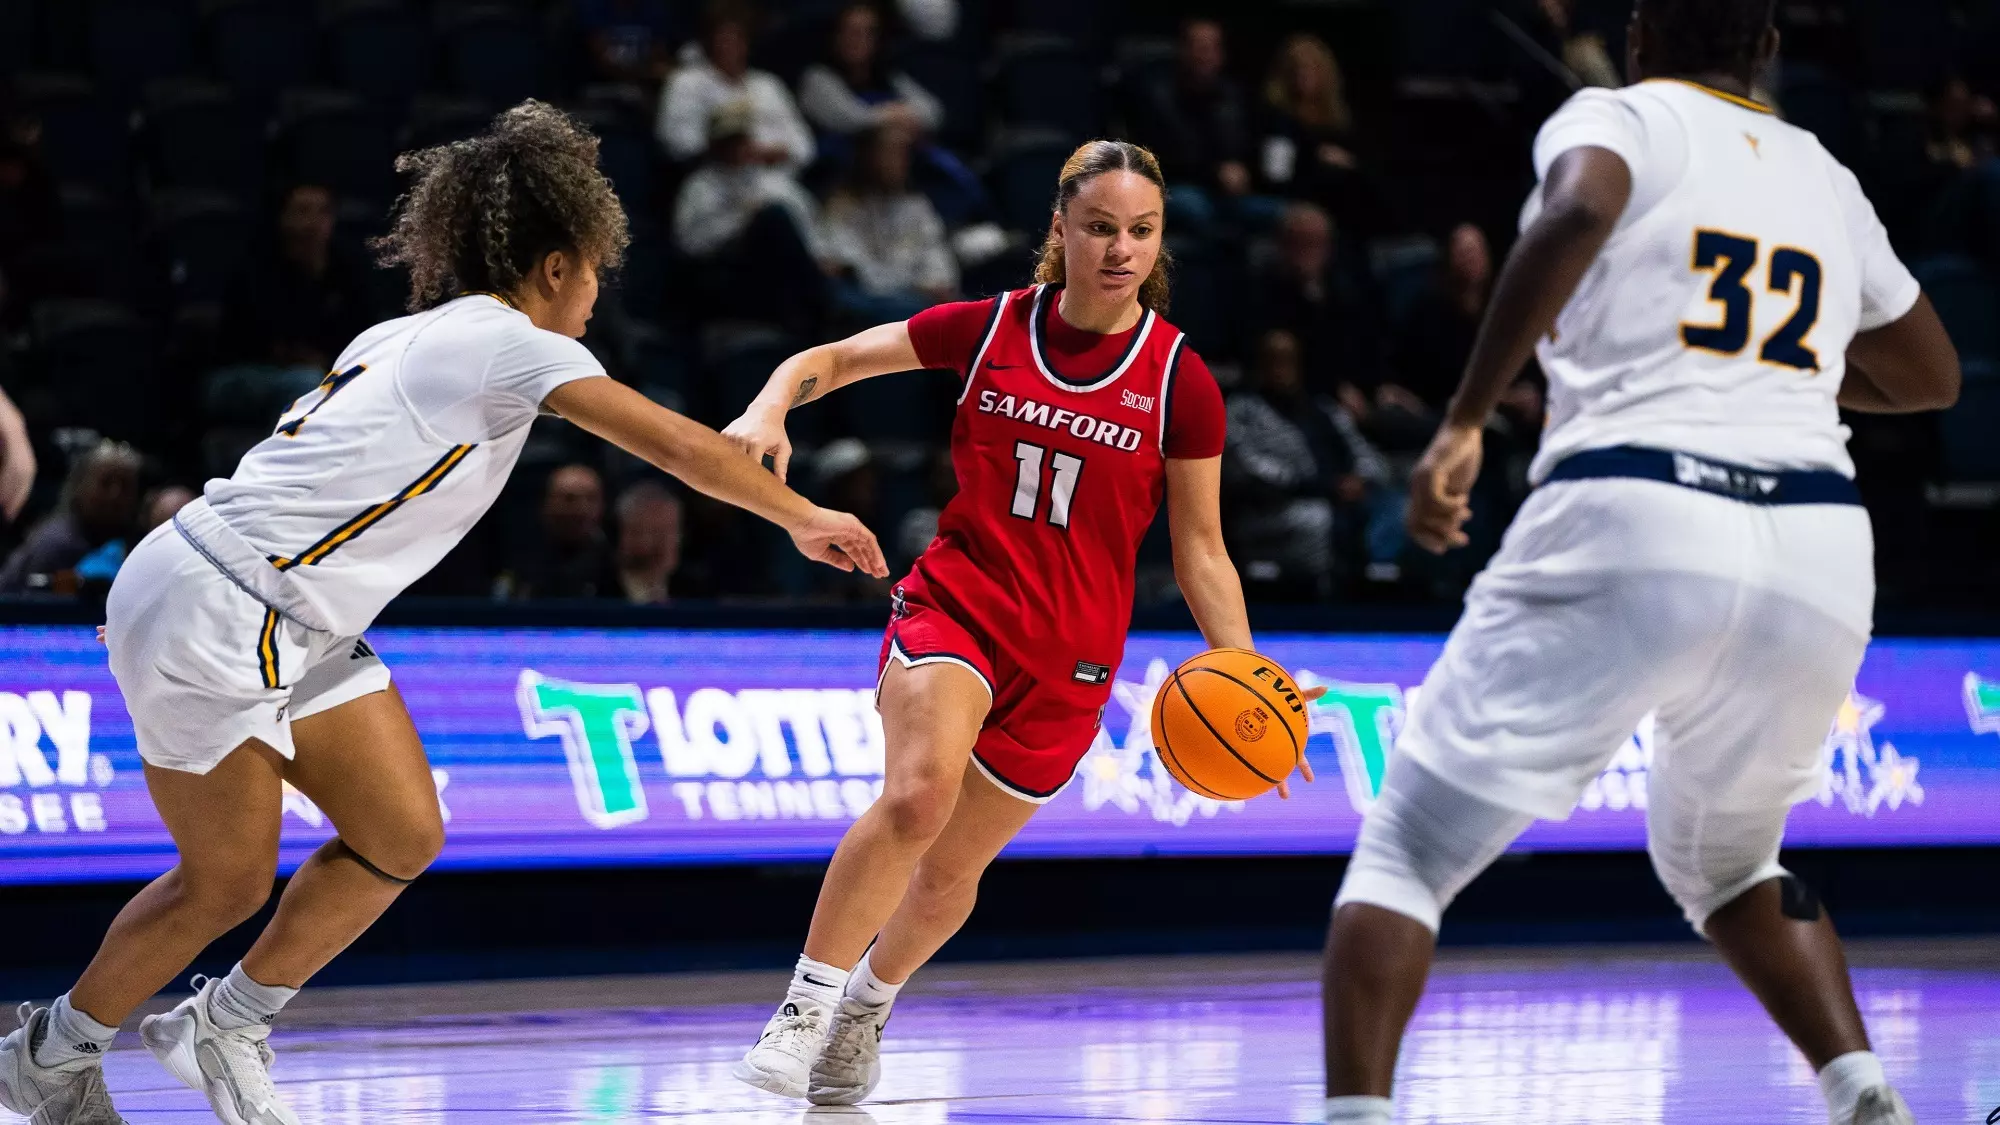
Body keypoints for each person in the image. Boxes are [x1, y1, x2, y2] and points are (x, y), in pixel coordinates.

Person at [0, 100, 885, 1125]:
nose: (597, 296)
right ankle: (52, 1054)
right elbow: (679, 447)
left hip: (261, 599)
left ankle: (222, 1024)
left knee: (400, 830)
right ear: (555, 266)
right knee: (226, 883)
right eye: (594, 271)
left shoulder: (410, 329)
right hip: (226, 600)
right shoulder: (515, 346)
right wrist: (801, 514)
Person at [1318, 4, 1961, 1125]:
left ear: (1636, 36)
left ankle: (1352, 1116)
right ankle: (1862, 1092)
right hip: (1816, 546)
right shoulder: (1819, 170)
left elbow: (1573, 210)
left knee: (1407, 850)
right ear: (1763, 49)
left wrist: (1464, 419)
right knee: (1731, 865)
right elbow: (1928, 375)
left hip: (1639, 504)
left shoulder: (1620, 117)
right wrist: (1793, 376)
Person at [722, 139, 1316, 1107]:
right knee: (916, 800)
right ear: (1059, 230)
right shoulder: (990, 327)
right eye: (1098, 228)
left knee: (950, 872)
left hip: (1072, 658)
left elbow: (1200, 549)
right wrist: (770, 402)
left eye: (1139, 232)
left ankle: (866, 1009)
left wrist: (1245, 672)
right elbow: (827, 358)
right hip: (957, 604)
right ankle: (799, 1012)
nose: (1119, 249)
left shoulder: (1178, 380)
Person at [1222, 329, 1382, 599]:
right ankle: (1316, 601)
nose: (1282, 369)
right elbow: (1248, 468)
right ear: (1260, 364)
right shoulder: (1242, 410)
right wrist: (1323, 486)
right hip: (1270, 509)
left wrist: (1361, 479)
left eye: (1289, 360)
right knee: (1318, 519)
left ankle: (1381, 603)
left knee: (1395, 510)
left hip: (1340, 499)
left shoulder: (1323, 409)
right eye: (1274, 360)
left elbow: (1365, 454)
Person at [796, 3, 989, 227]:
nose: (858, 40)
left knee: (939, 160)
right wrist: (891, 115)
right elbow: (848, 119)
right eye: (851, 32)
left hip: (901, 170)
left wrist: (896, 117)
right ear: (835, 36)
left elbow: (933, 113)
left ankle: (964, 221)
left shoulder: (888, 77)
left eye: (868, 32)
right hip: (842, 173)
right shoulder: (817, 78)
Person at [674, 100, 830, 330]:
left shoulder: (771, 181)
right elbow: (690, 244)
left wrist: (821, 256)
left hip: (778, 271)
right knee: (773, 217)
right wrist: (742, 221)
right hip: (730, 270)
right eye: (729, 141)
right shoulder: (700, 186)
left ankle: (818, 310)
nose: (737, 148)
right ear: (715, 145)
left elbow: (809, 224)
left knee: (780, 217)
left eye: (740, 140)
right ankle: (818, 309)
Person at [222, 183, 374, 372]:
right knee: (307, 380)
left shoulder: (347, 269)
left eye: (323, 211)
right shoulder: (256, 268)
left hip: (328, 367)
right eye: (303, 211)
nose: (313, 221)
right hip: (254, 370)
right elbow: (256, 340)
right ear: (282, 217)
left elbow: (363, 332)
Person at [1123, 18, 1256, 231]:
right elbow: (1162, 158)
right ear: (1182, 51)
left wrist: (1243, 170)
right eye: (1199, 47)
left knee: (1290, 215)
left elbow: (1246, 146)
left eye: (1212, 48)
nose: (1205, 55)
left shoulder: (1232, 97)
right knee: (1197, 208)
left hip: (1226, 192)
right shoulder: (1154, 95)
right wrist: (1216, 171)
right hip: (1171, 187)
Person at [820, 124, 958, 324]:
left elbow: (935, 252)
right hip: (876, 302)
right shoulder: (843, 207)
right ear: (868, 156)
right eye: (890, 153)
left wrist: (938, 284)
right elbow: (860, 271)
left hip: (919, 297)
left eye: (902, 154)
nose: (899, 162)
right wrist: (918, 289)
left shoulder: (915, 204)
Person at [656, 1, 815, 173]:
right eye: (723, 38)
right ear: (709, 41)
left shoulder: (768, 84)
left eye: (736, 38)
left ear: (747, 43)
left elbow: (805, 147)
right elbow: (673, 141)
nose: (729, 46)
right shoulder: (687, 82)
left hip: (774, 178)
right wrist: (724, 150)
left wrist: (772, 152)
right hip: (714, 177)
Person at [1256, 34, 1378, 236]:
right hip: (1295, 197)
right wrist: (1313, 156)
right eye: (1296, 69)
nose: (1302, 75)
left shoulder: (1339, 120)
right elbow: (1276, 174)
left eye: (1310, 69)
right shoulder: (1276, 119)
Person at [0, 440, 140, 596]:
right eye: (105, 484)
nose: (115, 495)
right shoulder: (57, 544)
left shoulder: (135, 545)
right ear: (80, 487)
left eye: (125, 486)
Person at [496, 463, 617, 600]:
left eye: (591, 498)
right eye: (569, 499)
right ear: (547, 503)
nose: (582, 509)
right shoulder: (516, 559)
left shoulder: (616, 562)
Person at [609, 480, 681, 604]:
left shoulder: (699, 590)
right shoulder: (595, 587)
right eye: (651, 532)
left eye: (664, 533)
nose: (655, 544)